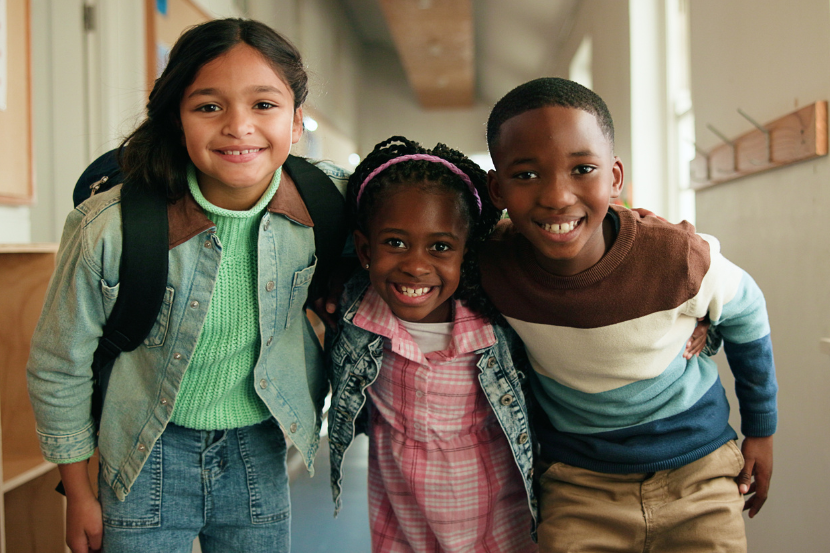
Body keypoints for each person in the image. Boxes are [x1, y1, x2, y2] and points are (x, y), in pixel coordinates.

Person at [26, 19, 347, 553]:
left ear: (295, 122)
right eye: (209, 106)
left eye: (264, 105)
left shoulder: (330, 201)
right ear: (177, 121)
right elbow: (59, 365)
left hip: (260, 449)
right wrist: (78, 492)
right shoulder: (109, 227)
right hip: (145, 454)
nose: (238, 126)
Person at [480, 77, 778, 553]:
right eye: (527, 175)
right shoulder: (493, 265)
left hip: (699, 470)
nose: (557, 196)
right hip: (578, 484)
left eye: (583, 169)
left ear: (615, 177)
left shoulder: (675, 256)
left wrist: (761, 430)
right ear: (497, 188)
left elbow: (747, 308)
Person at [326, 136, 539, 552]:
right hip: (402, 516)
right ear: (365, 249)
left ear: (466, 253)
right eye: (395, 243)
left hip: (498, 519)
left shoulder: (496, 321)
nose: (416, 266)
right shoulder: (355, 309)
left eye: (440, 247)